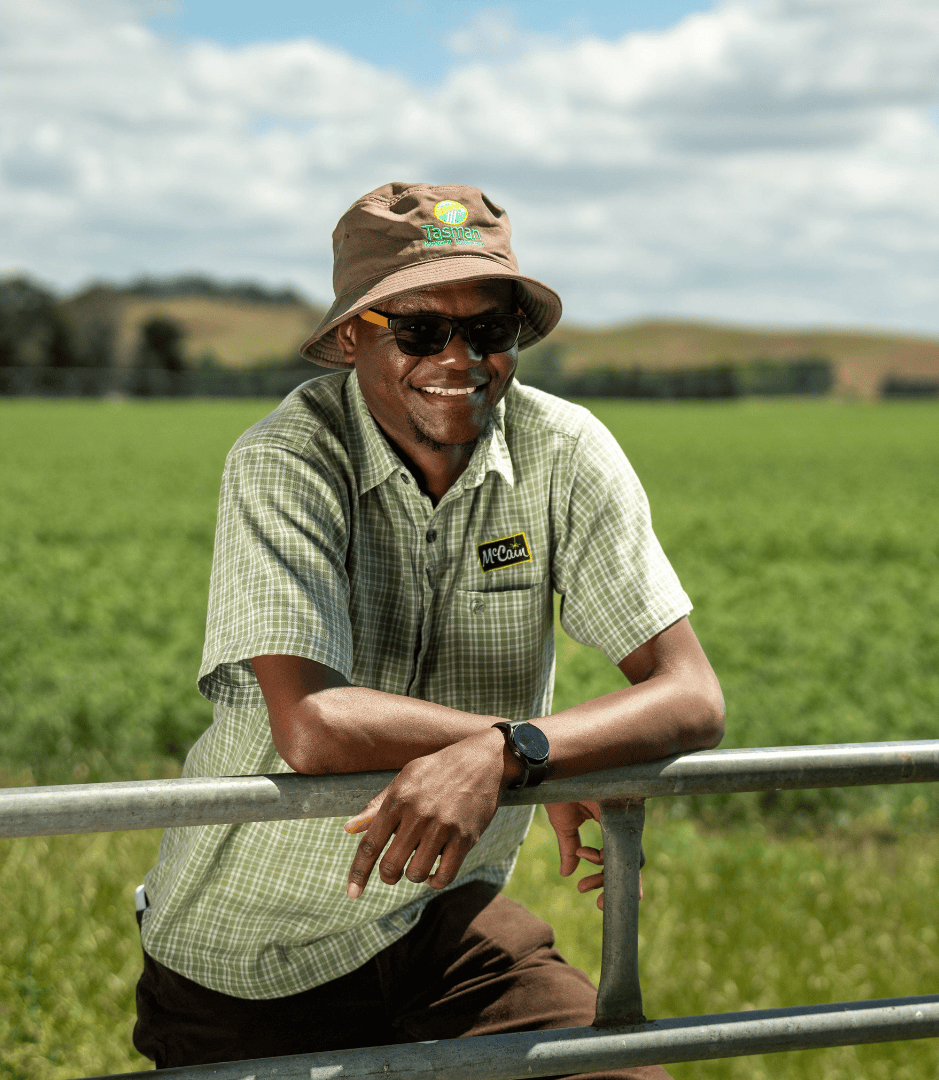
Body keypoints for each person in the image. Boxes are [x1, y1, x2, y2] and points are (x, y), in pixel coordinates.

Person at [132, 182, 725, 1076]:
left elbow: (692, 694)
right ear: (349, 338)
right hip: (246, 959)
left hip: (431, 918)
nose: (459, 357)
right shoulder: (286, 458)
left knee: (615, 1067)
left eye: (489, 330)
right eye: (417, 330)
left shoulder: (563, 450)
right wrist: (524, 749)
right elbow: (314, 727)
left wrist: (518, 753)